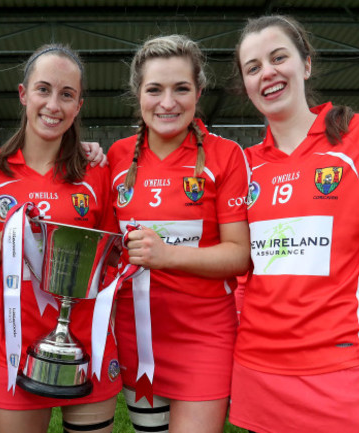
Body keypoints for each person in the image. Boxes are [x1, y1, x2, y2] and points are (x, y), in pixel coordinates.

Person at [229, 15, 359, 432]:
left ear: (305, 64)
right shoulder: (243, 165)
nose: (267, 72)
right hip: (260, 367)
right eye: (253, 67)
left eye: (278, 57)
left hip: (348, 367)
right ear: (245, 85)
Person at [108, 35, 250, 433]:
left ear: (199, 92)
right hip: (138, 339)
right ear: (139, 94)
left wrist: (167, 255)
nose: (167, 102)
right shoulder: (115, 158)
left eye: (181, 89)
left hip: (204, 339)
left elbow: (239, 255)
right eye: (155, 89)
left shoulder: (226, 156)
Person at [0, 44, 120, 433]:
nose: (53, 105)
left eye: (67, 94)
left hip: (88, 347)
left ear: (78, 106)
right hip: (11, 349)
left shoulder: (97, 174)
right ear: (23, 94)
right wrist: (12, 237)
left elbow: (111, 257)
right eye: (43, 90)